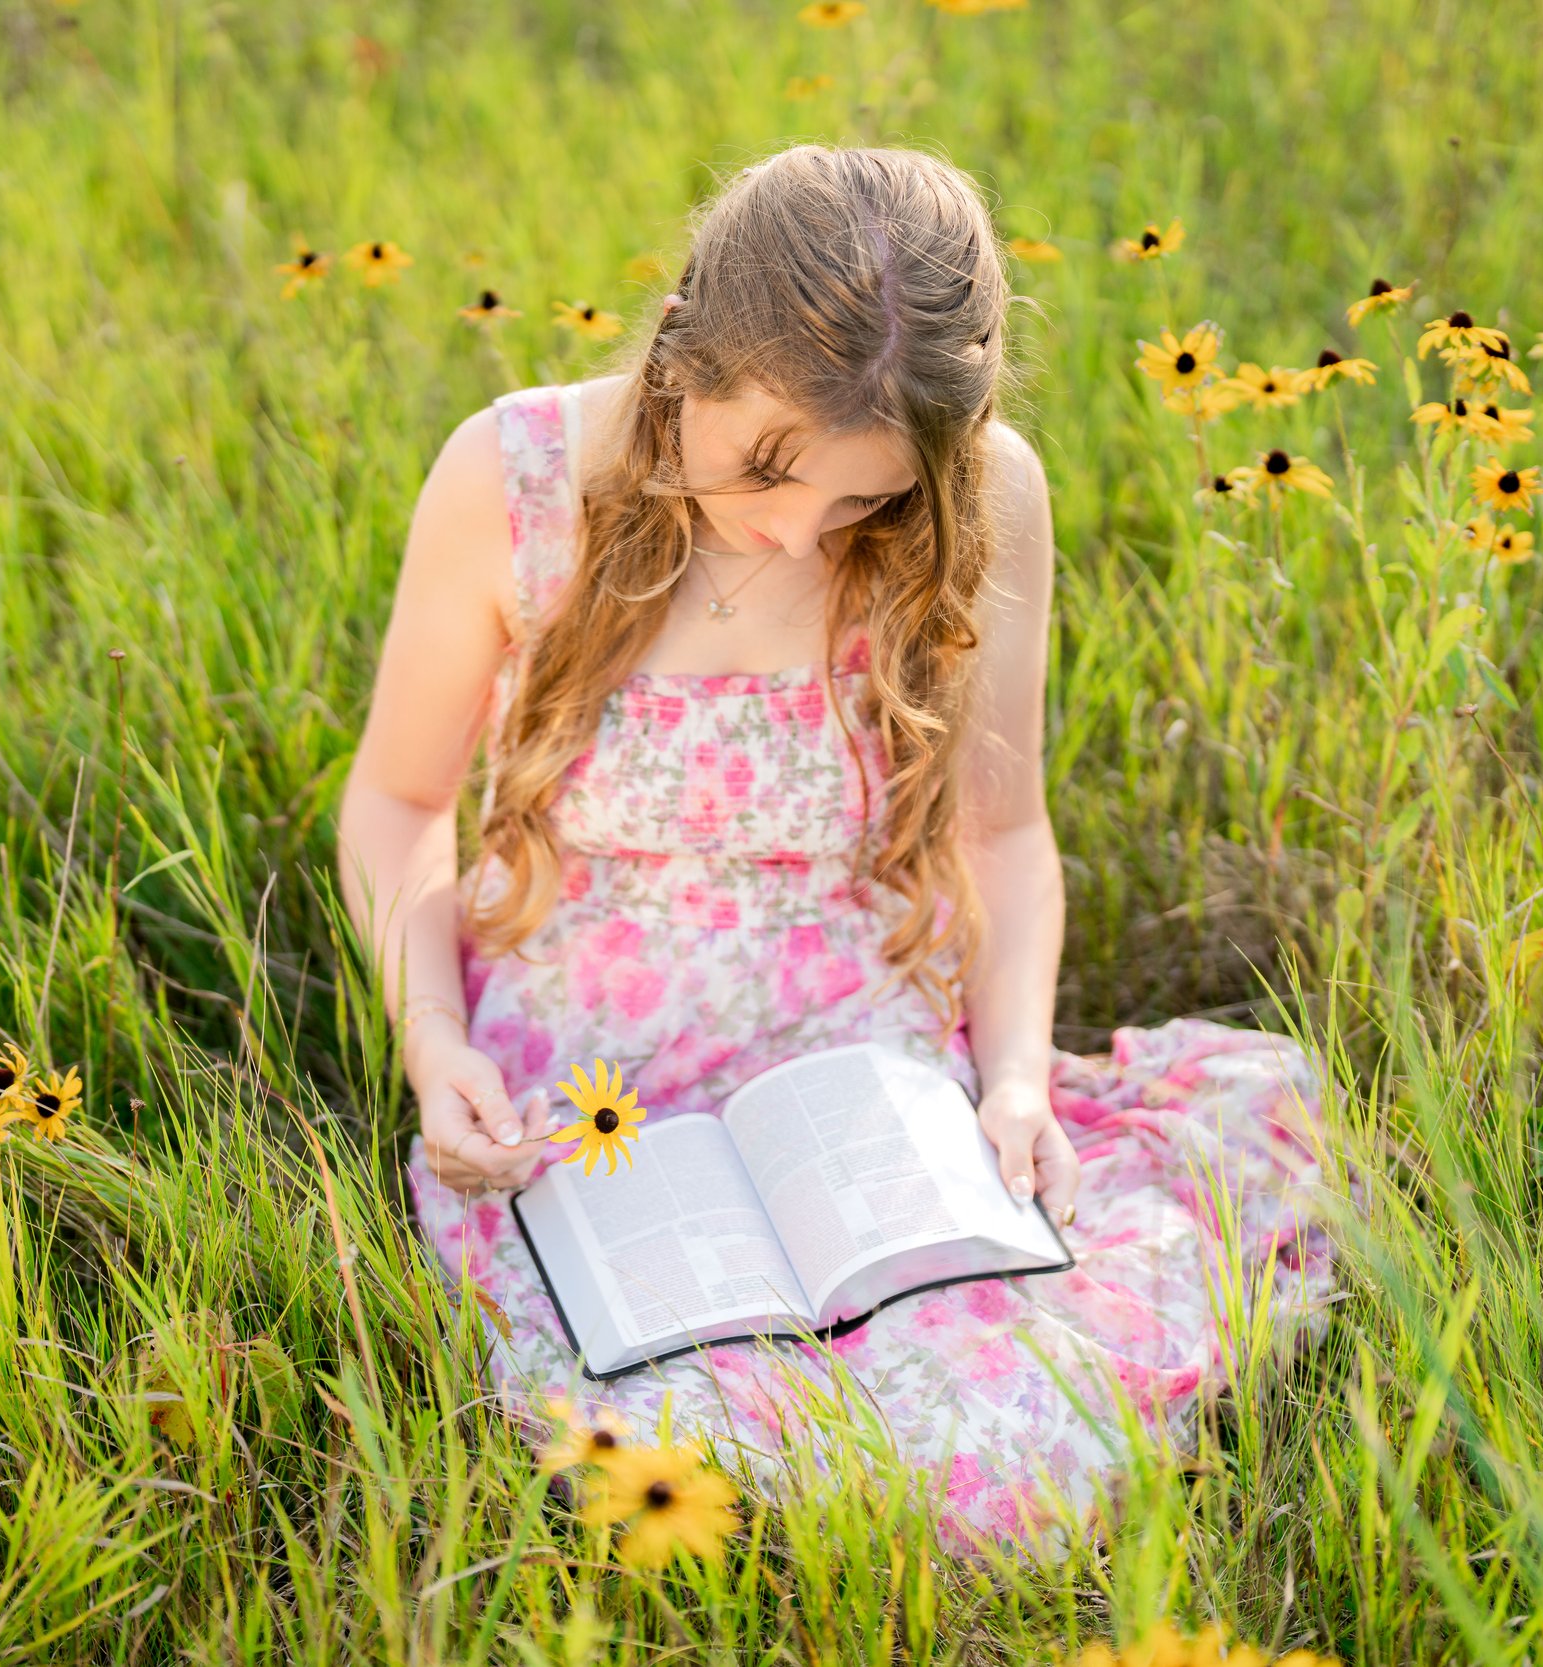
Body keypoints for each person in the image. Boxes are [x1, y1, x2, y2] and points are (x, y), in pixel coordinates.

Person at [336, 142, 1337, 1553]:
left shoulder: (987, 494)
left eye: (860, 502)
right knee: (688, 1427)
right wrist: (434, 1040)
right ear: (684, 348)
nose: (799, 529)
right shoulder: (517, 476)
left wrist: (1010, 1083)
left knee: (1006, 1413)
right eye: (764, 468)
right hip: (588, 1061)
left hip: (857, 1034)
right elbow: (397, 803)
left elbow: (1003, 832)